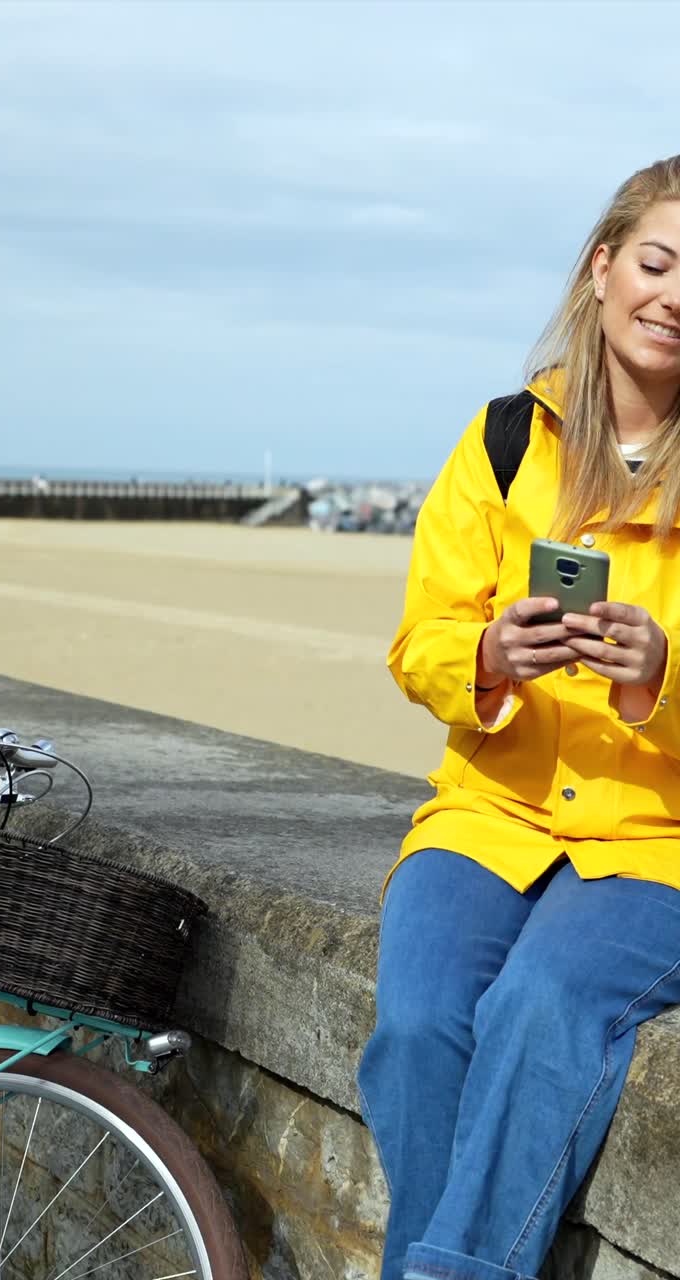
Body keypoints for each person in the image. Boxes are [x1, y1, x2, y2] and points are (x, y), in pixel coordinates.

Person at [357, 155, 680, 1280]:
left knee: (543, 1004)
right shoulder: (504, 437)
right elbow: (420, 643)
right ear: (603, 267)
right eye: (656, 260)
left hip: (658, 846)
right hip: (488, 815)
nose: (673, 293)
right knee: (416, 1028)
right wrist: (488, 658)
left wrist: (659, 681)